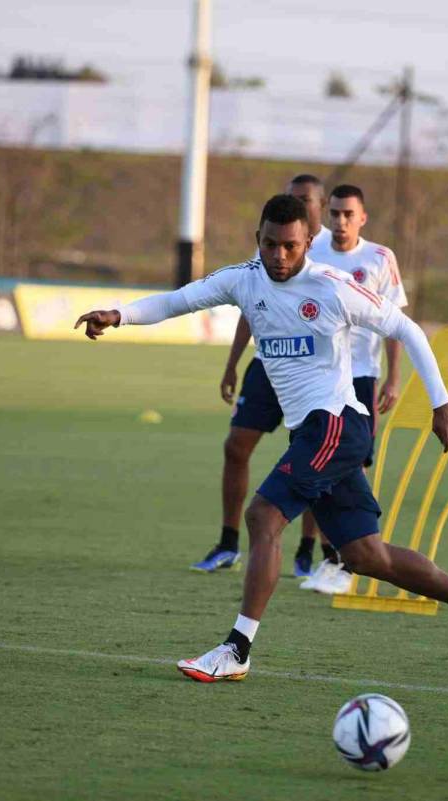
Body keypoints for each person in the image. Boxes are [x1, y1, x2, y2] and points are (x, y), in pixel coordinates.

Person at [75, 194, 448, 680]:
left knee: (263, 516)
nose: (279, 256)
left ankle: (237, 649)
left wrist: (441, 403)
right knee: (366, 556)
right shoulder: (243, 279)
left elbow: (408, 328)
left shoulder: (333, 286)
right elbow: (176, 300)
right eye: (270, 245)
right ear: (257, 240)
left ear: (309, 241)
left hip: (336, 426)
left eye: (290, 246)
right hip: (311, 433)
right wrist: (118, 314)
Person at [192, 173, 332, 575]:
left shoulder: (329, 257)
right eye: (292, 197)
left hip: (312, 373)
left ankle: (307, 551)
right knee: (235, 446)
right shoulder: (272, 249)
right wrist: (233, 363)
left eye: (305, 198)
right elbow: (251, 304)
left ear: (319, 205)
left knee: (314, 460)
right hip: (268, 364)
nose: (297, 203)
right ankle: (227, 544)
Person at [300, 183, 408, 594]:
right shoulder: (313, 252)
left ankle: (348, 562)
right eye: (336, 214)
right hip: (321, 377)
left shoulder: (380, 258)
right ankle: (333, 560)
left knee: (353, 468)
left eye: (350, 214)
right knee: (316, 463)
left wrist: (393, 378)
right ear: (327, 215)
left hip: (362, 376)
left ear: (363, 217)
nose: (341, 221)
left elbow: (395, 323)